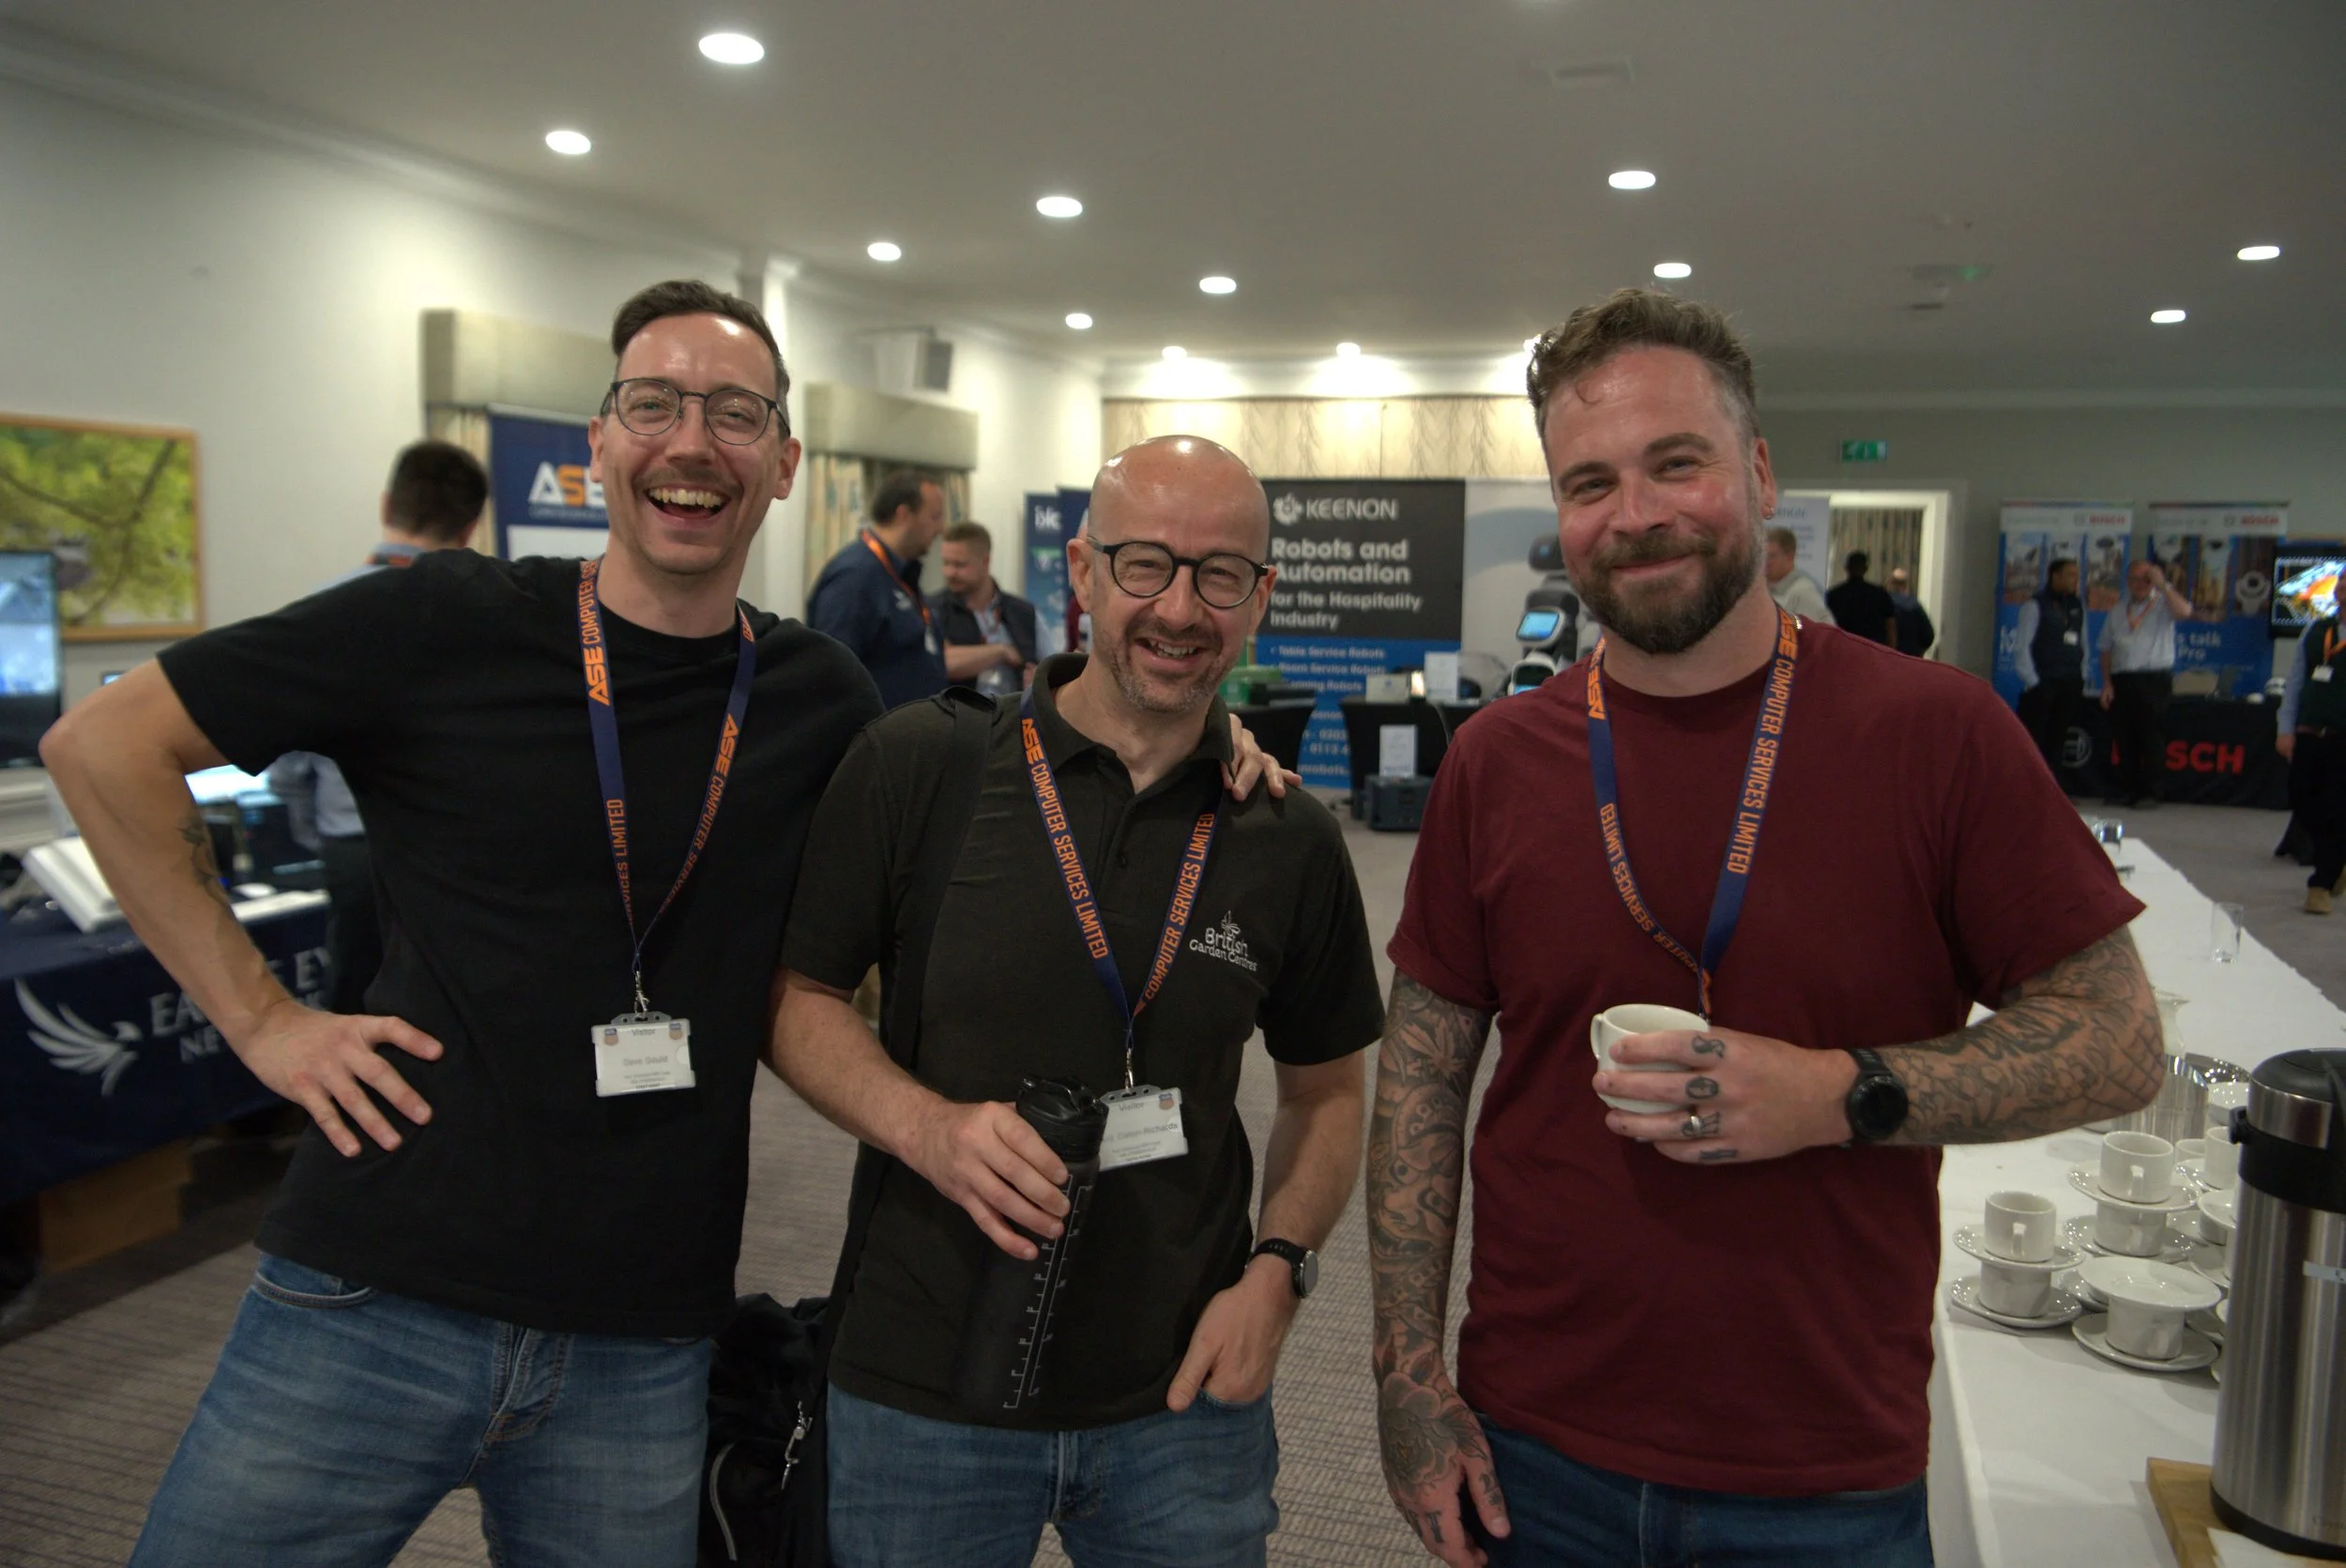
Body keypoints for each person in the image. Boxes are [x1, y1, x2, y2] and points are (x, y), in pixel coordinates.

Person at [42, 279, 889, 1566]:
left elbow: (984, 813)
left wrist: (1198, 737)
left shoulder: (818, 695)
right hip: (377, 1282)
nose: (689, 440)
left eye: (734, 413)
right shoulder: (443, 620)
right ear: (598, 442)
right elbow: (105, 745)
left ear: (781, 463)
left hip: (645, 1327)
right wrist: (263, 1022)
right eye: (651, 402)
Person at [1366, 287, 2161, 1568]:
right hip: (1535, 1438)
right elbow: (1422, 1069)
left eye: (1676, 462)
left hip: (1821, 1467)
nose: (1635, 515)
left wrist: (1844, 1090)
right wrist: (1407, 1375)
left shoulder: (1936, 731)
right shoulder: (1499, 758)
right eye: (1590, 482)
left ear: (1759, 470)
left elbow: (2119, 1037)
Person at [771, 434, 1383, 1568]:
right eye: (1146, 564)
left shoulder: (1284, 834)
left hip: (1184, 1394)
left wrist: (1278, 1275)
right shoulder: (921, 768)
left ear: (1261, 597)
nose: (1180, 608)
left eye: (1220, 576)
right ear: (1085, 575)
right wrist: (926, 1128)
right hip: (923, 1385)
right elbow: (795, 998)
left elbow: (1330, 1091)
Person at [267, 439, 487, 1014]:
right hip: (466, 852)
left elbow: (286, 767)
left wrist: (325, 838)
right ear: (471, 525)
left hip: (356, 853)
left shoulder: (319, 612)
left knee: (355, 1006)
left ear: (388, 504)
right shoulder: (492, 620)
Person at [808, 468, 952, 708]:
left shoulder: (901, 574)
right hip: (876, 740)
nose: (941, 530)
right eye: (935, 517)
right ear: (904, 515)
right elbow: (831, 676)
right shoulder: (855, 576)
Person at [2098, 556, 2197, 808]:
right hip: (2122, 679)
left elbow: (2185, 612)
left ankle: (2151, 792)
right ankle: (2128, 789)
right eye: (2134, 579)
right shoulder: (2119, 608)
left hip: (2153, 679)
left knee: (2151, 737)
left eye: (2145, 578)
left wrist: (2163, 585)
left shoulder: (2163, 603)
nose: (2139, 583)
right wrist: (2107, 683)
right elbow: (2106, 649)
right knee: (2124, 737)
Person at [2274, 611, 2346, 913]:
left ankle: (2321, 885)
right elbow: (2296, 682)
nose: (2342, 585)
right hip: (2309, 732)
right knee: (2300, 798)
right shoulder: (2316, 630)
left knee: (2337, 805)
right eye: (2341, 580)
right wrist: (2285, 728)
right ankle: (2337, 857)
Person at [931, 519, 1039, 697]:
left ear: (985, 561)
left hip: (1015, 719)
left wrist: (1040, 678)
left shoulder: (1023, 612)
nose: (950, 572)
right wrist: (1001, 651)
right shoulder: (933, 610)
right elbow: (941, 662)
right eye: (946, 563)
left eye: (959, 564)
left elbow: (1050, 664)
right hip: (956, 720)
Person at [2013, 556, 2086, 778]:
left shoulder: (2076, 604)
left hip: (2070, 681)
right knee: (2036, 737)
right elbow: (2022, 646)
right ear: (2055, 576)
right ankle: (2028, 785)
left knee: (2060, 736)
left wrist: (2081, 674)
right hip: (2043, 682)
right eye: (2070, 574)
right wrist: (2034, 682)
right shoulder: (2035, 605)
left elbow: (2083, 643)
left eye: (2077, 575)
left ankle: (2055, 788)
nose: (2076, 579)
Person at [1823, 549, 1897, 645]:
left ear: (1847, 568)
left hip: (1843, 647)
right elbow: (1890, 625)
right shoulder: (1879, 594)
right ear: (1866, 569)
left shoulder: (1835, 595)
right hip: (1872, 649)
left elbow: (1827, 625)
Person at [1761, 526, 1827, 623]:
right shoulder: (1765, 590)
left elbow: (1805, 635)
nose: (1766, 562)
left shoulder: (1803, 592)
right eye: (1763, 556)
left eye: (1772, 556)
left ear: (1789, 557)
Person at [1886, 567, 1935, 658]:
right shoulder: (1914, 605)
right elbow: (1928, 635)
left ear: (1890, 583)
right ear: (1905, 585)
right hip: (1909, 658)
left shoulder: (1882, 603)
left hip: (1885, 657)